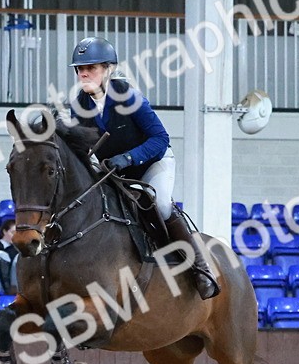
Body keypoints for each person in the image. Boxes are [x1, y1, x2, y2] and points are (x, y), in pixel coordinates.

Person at [67, 36, 220, 300]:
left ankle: (200, 268)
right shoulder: (79, 106)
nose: (83, 73)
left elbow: (160, 139)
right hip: (113, 173)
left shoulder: (128, 96)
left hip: (151, 163)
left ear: (108, 70)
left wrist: (127, 158)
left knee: (161, 205)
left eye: (90, 67)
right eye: (80, 69)